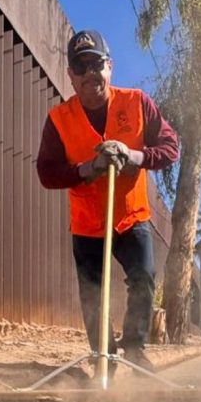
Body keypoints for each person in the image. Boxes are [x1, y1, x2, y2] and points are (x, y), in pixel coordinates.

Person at [36, 29, 180, 373]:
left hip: (131, 217)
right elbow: (47, 172)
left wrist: (133, 155)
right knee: (93, 295)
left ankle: (133, 347)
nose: (89, 74)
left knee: (143, 276)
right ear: (70, 74)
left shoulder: (137, 103)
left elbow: (170, 148)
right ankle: (104, 358)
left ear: (109, 67)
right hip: (88, 223)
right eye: (80, 66)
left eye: (96, 64)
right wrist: (87, 168)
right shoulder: (59, 120)